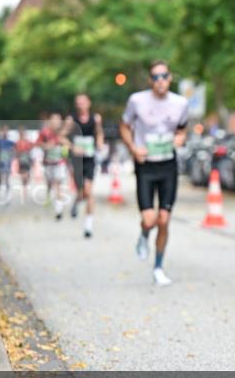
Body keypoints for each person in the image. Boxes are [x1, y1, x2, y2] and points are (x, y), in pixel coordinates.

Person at [119, 61, 189, 286]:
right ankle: (144, 234)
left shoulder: (181, 103)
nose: (160, 81)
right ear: (150, 80)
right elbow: (124, 126)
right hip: (146, 165)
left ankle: (158, 267)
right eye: (156, 77)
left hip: (168, 165)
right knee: (149, 220)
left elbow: (182, 130)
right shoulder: (137, 101)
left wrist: (180, 138)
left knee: (164, 219)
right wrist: (133, 148)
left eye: (164, 76)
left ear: (170, 78)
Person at [65, 93, 104, 238]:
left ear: (89, 103)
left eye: (83, 102)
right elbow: (61, 137)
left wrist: (100, 142)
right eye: (78, 102)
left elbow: (99, 134)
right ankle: (76, 202)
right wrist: (72, 147)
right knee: (81, 191)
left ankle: (88, 225)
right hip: (76, 160)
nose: (81, 105)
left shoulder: (95, 118)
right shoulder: (71, 119)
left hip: (89, 159)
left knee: (88, 191)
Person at [38, 113, 69, 219]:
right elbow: (39, 143)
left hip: (59, 163)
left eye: (58, 120)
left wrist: (65, 147)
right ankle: (48, 194)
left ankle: (58, 210)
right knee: (49, 183)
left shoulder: (63, 133)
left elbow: (68, 146)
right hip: (48, 163)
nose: (56, 122)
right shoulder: (44, 132)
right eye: (54, 120)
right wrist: (46, 146)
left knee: (57, 184)